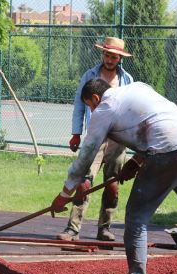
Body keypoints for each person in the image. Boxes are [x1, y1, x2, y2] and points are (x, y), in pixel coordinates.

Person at [50, 79, 177, 274]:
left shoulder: (105, 107)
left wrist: (65, 193)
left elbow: (88, 151)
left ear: (96, 98)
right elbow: (156, 124)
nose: (91, 110)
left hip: (166, 154)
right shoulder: (138, 88)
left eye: (90, 105)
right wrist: (136, 162)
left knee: (136, 218)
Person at [57, 37, 134, 242]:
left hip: (118, 139)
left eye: (114, 57)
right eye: (107, 55)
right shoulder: (90, 75)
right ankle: (73, 228)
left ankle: (105, 228)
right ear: (102, 55)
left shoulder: (127, 80)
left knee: (112, 184)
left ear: (120, 59)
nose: (110, 59)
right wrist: (76, 133)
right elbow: (79, 105)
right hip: (95, 136)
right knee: (84, 182)